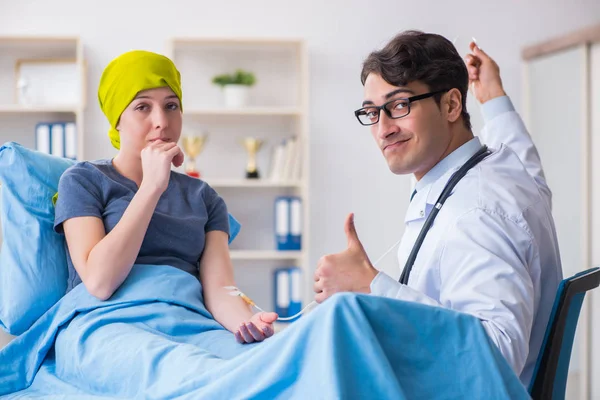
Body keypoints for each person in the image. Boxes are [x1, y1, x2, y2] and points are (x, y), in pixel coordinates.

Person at [313, 30, 563, 386]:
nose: (383, 129)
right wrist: (493, 96)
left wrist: (372, 287)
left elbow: (498, 355)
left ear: (450, 105)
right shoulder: (503, 171)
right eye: (372, 112)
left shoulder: (477, 213)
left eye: (399, 105)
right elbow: (525, 160)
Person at [54, 50, 276, 344]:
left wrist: (246, 324)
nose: (161, 121)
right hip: (106, 325)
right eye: (142, 107)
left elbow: (221, 288)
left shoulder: (204, 197)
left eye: (171, 106)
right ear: (116, 119)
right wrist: (151, 187)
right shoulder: (83, 180)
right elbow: (99, 282)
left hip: (189, 324)